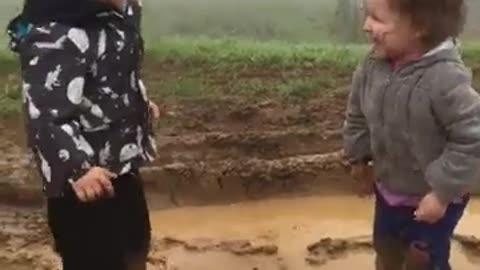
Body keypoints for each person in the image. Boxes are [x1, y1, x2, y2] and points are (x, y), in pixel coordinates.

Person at [7, 0, 160, 269]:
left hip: (120, 167)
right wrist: (77, 169)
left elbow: (116, 71)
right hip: (82, 185)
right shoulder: (55, 32)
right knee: (94, 258)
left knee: (135, 247)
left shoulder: (121, 13)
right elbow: (45, 115)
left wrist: (138, 105)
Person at [343, 0, 480, 269]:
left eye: (377, 19)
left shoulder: (446, 78)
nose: (366, 26)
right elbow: (357, 111)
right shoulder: (373, 65)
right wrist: (358, 157)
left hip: (436, 198)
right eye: (366, 15)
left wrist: (441, 192)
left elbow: (473, 137)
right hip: (390, 189)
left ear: (420, 26)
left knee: (423, 260)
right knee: (386, 247)